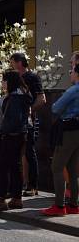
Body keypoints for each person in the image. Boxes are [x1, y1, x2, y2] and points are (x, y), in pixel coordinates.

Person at [0, 71, 30, 213]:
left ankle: (1, 200)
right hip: (21, 134)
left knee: (3, 166)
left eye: (4, 81)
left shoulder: (14, 98)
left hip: (11, 135)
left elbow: (14, 119)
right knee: (15, 165)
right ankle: (17, 198)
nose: (2, 83)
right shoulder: (24, 94)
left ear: (9, 82)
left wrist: (5, 131)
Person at [41, 64, 79, 216]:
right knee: (73, 170)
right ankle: (74, 204)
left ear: (77, 73)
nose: (70, 73)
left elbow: (55, 108)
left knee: (57, 166)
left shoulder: (73, 90)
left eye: (71, 71)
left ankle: (59, 205)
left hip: (68, 130)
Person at [10, 53, 45, 197]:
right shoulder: (14, 77)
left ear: (19, 62)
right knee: (16, 153)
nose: (11, 64)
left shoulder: (32, 77)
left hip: (28, 121)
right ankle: (16, 185)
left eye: (12, 62)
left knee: (30, 152)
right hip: (14, 121)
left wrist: (30, 110)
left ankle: (32, 186)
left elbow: (41, 99)